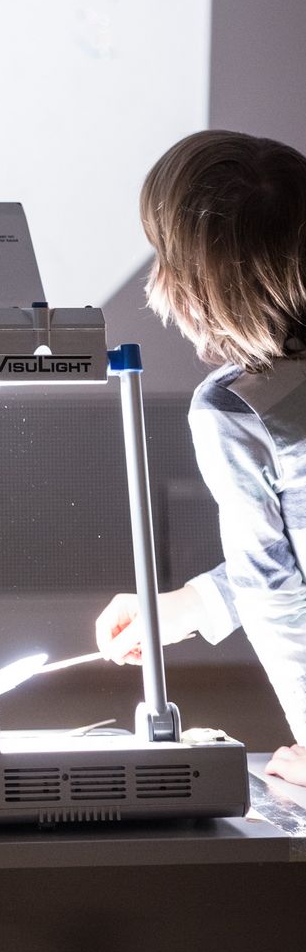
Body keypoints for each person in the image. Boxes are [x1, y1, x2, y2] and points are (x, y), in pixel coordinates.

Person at [96, 131, 306, 787]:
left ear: (199, 283)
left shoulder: (236, 409)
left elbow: (277, 588)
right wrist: (187, 607)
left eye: (163, 257)